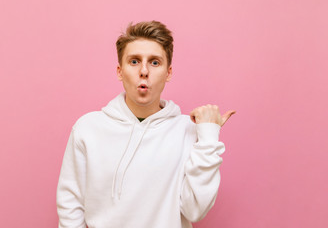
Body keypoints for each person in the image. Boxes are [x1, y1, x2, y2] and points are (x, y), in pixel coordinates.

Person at [56, 20, 235, 228]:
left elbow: (195, 209)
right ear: (119, 71)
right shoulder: (87, 129)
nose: (144, 71)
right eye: (134, 61)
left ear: (168, 72)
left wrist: (208, 137)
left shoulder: (187, 130)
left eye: (154, 62)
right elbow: (71, 206)